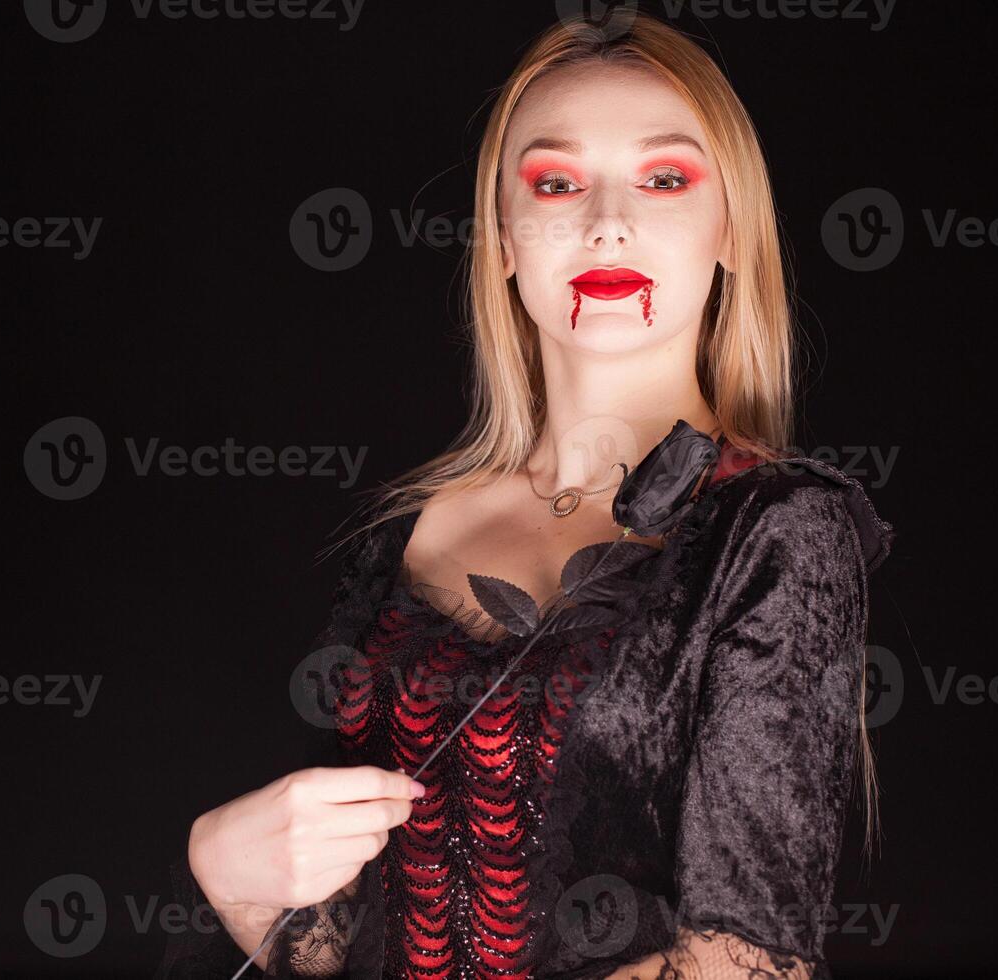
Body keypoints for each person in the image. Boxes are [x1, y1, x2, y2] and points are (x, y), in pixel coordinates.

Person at [163, 11, 894, 979]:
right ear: (504, 239)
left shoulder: (775, 528)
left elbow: (748, 959)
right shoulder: (405, 535)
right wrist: (231, 871)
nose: (606, 219)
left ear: (731, 231)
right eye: (556, 182)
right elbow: (346, 947)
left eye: (665, 177)